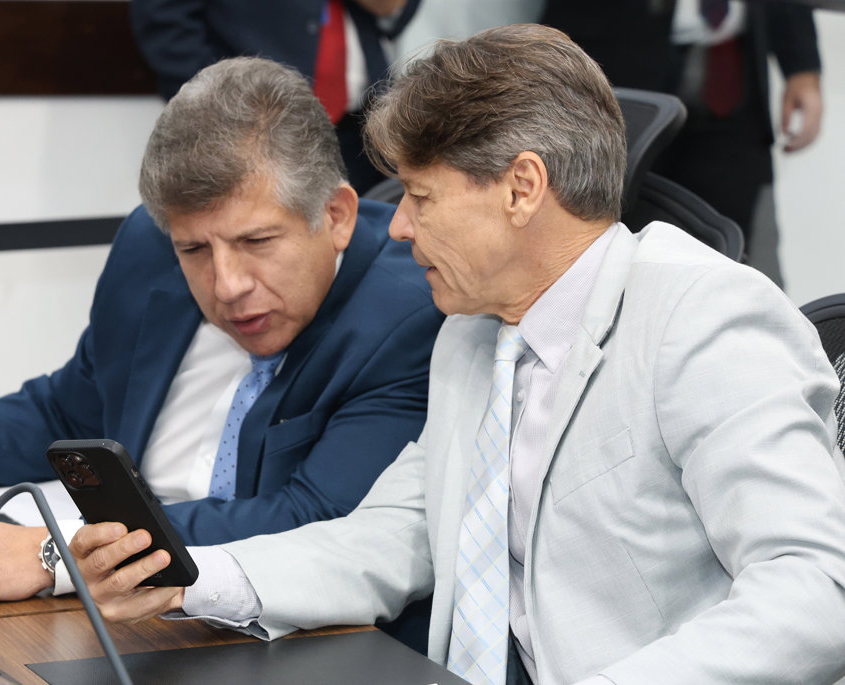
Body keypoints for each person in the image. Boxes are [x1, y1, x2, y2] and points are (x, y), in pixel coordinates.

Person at [68, 25, 845, 685]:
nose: (400, 226)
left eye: (420, 196)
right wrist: (190, 578)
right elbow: (393, 534)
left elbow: (817, 588)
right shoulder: (473, 334)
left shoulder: (703, 317)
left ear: (521, 188)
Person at [0, 57, 442, 611]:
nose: (226, 285)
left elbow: (312, 516)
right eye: (194, 250)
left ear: (335, 215)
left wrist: (53, 554)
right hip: (107, 609)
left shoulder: (407, 311)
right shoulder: (149, 247)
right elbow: (67, 408)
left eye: (256, 241)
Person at [541, 0, 823, 286]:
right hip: (618, 70)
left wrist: (802, 66)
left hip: (730, 79)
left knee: (741, 265)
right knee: (606, 256)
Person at [129, 0, 421, 195]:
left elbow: (397, 14)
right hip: (252, 124)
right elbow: (163, 18)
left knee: (371, 244)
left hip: (362, 124)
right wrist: (217, 101)